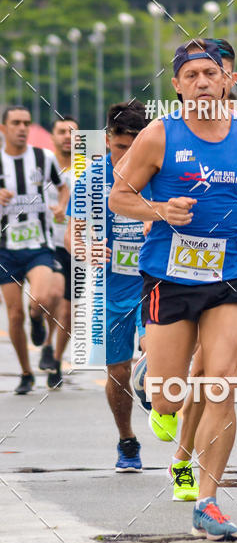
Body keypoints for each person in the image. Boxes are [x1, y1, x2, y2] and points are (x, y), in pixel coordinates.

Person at [110, 39, 237, 540]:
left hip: (229, 273)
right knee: (170, 400)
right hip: (170, 277)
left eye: (208, 74)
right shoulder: (157, 136)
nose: (200, 82)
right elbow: (118, 196)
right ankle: (153, 372)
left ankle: (209, 501)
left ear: (226, 80)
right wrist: (159, 211)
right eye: (190, 75)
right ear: (176, 85)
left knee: (220, 383)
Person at [65, 101, 150, 471]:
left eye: (135, 148)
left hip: (154, 284)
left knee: (157, 358)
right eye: (120, 148)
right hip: (113, 289)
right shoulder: (91, 179)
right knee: (118, 373)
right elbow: (73, 236)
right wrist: (88, 248)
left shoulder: (160, 173)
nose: (128, 156)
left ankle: (161, 403)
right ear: (107, 140)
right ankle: (127, 439)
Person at [0, 106, 68, 394]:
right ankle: (26, 373)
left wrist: (61, 207)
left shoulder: (44, 157)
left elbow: (63, 187)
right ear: (3, 128)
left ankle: (37, 319)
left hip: (39, 243)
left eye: (26, 123)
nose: (22, 128)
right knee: (14, 315)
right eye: (16, 123)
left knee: (41, 298)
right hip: (5, 248)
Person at [42, 116, 78, 388]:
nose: (67, 136)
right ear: (52, 136)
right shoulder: (41, 166)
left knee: (68, 309)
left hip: (76, 245)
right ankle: (44, 341)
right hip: (47, 242)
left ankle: (55, 359)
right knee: (51, 296)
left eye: (72, 132)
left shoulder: (90, 170)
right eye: (61, 131)